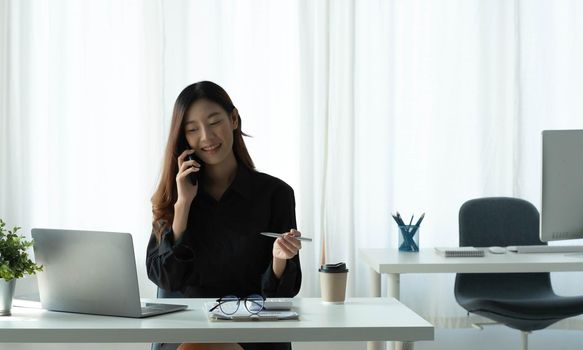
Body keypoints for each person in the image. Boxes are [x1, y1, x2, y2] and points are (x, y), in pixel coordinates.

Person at [147, 81, 302, 350]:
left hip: (251, 330)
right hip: (188, 330)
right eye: (193, 129)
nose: (206, 137)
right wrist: (183, 205)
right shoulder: (173, 197)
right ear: (184, 138)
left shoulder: (275, 193)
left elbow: (283, 295)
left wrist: (279, 259)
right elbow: (166, 279)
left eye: (214, 121)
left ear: (233, 119)